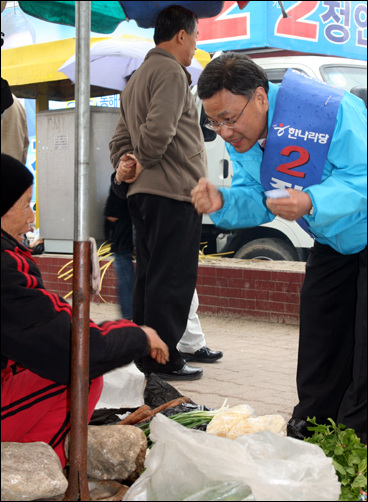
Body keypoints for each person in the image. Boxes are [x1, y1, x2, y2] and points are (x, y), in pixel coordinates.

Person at [191, 52, 367, 443]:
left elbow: (363, 175)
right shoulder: (249, 135)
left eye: (229, 118)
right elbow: (258, 195)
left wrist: (313, 202)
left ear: (260, 98)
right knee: (321, 340)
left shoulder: (328, 110)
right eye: (213, 121)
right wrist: (224, 201)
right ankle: (313, 430)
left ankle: (359, 446)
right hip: (334, 240)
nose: (224, 131)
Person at [1, 153, 169, 467]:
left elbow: (38, 321)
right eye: (25, 204)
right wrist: (137, 335)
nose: (32, 218)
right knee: (82, 372)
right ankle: (34, 471)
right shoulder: (5, 266)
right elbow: (66, 343)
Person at [109, 5, 209, 381]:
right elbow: (159, 131)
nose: (196, 46)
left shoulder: (135, 79)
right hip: (174, 192)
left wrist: (125, 163)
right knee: (172, 278)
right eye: (196, 37)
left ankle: (146, 352)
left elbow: (119, 139)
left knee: (150, 277)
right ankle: (162, 358)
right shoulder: (170, 71)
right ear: (181, 35)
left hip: (142, 195)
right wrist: (139, 157)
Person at [104, 187, 134, 320]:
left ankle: (128, 317)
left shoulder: (119, 185)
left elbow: (111, 214)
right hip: (133, 238)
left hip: (122, 239)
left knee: (125, 281)